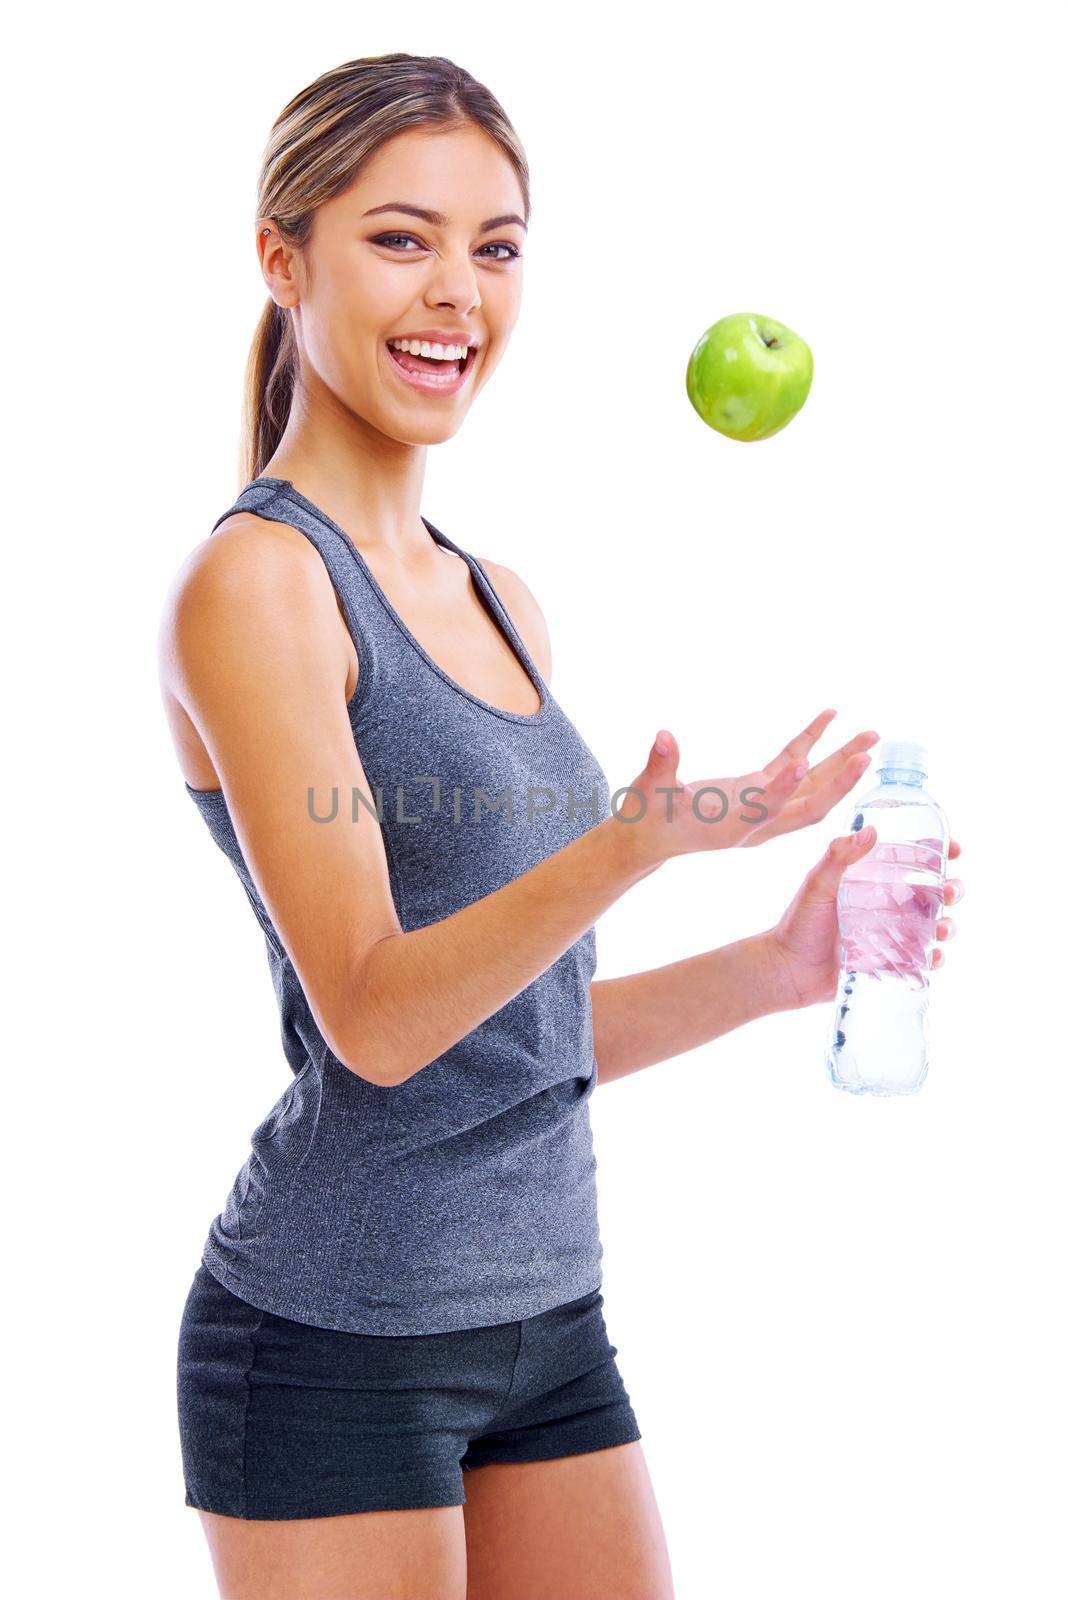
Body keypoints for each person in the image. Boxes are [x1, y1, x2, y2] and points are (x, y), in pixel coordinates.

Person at [159, 51, 964, 1600]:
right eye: (401, 238)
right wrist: (628, 848)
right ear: (284, 258)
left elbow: (516, 1033)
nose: (458, 290)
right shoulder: (255, 588)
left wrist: (777, 966)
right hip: (334, 1342)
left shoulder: (498, 598)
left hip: (549, 1324)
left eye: (497, 244)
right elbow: (382, 1022)